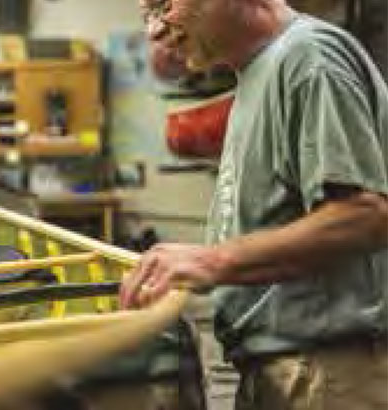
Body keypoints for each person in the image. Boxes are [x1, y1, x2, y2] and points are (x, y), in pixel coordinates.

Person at [121, 0, 388, 408]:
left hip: (327, 370)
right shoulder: (257, 71)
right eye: (148, 15)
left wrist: (210, 261)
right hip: (285, 365)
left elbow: (365, 217)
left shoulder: (308, 58)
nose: (154, 32)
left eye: (164, 4)